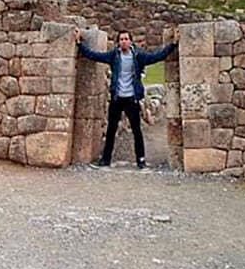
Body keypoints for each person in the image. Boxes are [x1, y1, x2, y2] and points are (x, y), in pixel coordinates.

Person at [74, 27, 177, 168]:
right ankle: (105, 160)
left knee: (136, 131)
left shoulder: (138, 56)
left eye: (126, 39)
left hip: (131, 98)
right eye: (121, 39)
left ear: (130, 42)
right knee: (111, 130)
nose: (124, 41)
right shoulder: (113, 56)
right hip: (117, 98)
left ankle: (141, 160)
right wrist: (79, 44)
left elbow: (156, 56)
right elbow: (94, 55)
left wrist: (173, 44)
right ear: (118, 42)